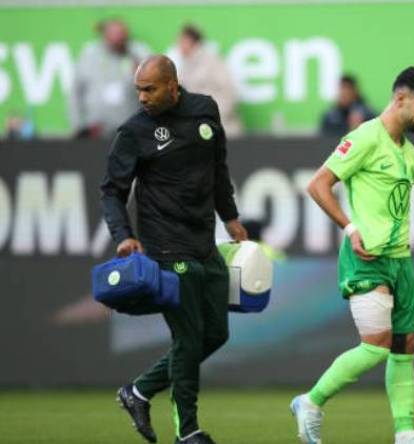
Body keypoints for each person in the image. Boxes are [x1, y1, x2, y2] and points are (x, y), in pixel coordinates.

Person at [101, 55, 248, 444]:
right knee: (188, 339)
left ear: (172, 85)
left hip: (205, 243)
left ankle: (138, 391)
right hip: (165, 246)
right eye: (138, 90)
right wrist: (123, 235)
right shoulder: (133, 131)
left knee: (215, 335)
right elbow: (111, 191)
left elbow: (218, 168)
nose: (142, 97)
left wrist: (230, 216)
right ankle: (188, 432)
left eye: (149, 89)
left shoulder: (205, 109)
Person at [291, 67, 414, 444]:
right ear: (400, 99)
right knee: (376, 346)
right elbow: (318, 184)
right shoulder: (364, 137)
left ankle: (405, 433)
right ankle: (310, 401)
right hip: (366, 258)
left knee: (405, 345)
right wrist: (351, 228)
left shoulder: (410, 153)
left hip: (401, 260)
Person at [69, 19, 148, 139]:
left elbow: (152, 87)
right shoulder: (90, 55)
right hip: (96, 130)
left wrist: (141, 72)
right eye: (113, 33)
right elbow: (75, 92)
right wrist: (78, 125)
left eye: (121, 33)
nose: (118, 38)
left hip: (130, 127)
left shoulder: (138, 53)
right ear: (105, 34)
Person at [175, 24, 244, 139]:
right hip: (199, 130)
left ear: (190, 41)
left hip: (221, 129)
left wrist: (210, 117)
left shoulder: (212, 61)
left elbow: (230, 93)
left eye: (181, 41)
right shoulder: (185, 66)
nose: (178, 46)